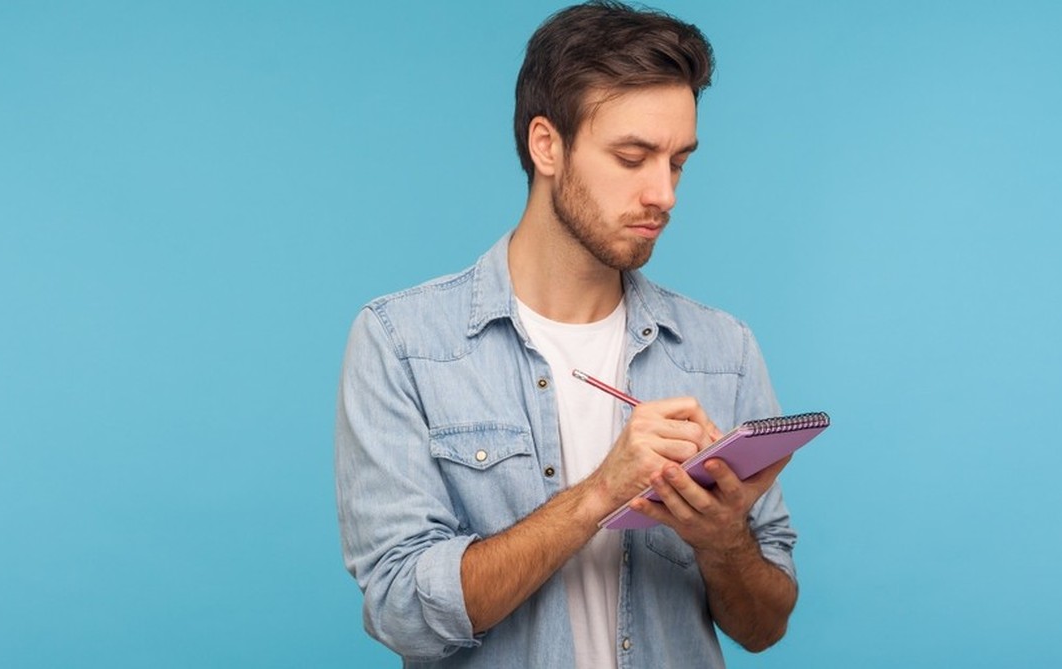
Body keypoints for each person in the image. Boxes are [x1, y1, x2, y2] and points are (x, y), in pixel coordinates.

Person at [335, 2, 798, 667]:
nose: (663, 193)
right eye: (633, 157)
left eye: (678, 163)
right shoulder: (402, 343)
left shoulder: (722, 351)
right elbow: (401, 611)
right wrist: (597, 494)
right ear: (547, 145)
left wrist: (723, 537)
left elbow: (765, 627)